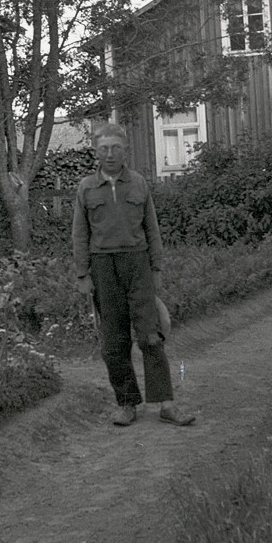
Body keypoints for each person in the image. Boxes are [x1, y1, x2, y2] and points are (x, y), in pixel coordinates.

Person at [71, 122, 196, 427]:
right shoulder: (86, 188)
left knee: (151, 336)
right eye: (104, 148)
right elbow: (79, 234)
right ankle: (127, 404)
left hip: (137, 265)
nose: (110, 154)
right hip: (103, 268)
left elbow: (152, 230)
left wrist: (156, 269)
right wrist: (82, 275)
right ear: (96, 151)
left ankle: (166, 404)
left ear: (125, 150)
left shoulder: (139, 184)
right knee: (113, 341)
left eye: (116, 148)